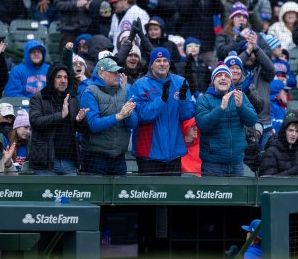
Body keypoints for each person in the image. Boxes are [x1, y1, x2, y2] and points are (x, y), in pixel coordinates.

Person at [131, 47, 195, 175]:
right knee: (149, 194)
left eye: (165, 60)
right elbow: (142, 116)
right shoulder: (140, 85)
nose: (162, 64)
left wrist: (183, 100)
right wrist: (161, 100)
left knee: (172, 193)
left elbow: (187, 115)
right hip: (148, 153)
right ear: (151, 65)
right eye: (158, 60)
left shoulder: (180, 82)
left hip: (174, 152)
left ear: (169, 63)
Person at [195, 63, 258, 176]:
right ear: (213, 81)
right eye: (219, 75)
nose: (223, 78)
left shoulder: (240, 96)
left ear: (230, 81)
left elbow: (252, 120)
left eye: (226, 76)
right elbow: (202, 124)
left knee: (237, 194)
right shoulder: (204, 99)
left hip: (237, 164)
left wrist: (241, 107)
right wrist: (221, 108)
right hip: (213, 165)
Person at [80, 57, 137, 175]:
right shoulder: (90, 92)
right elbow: (93, 125)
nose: (117, 75)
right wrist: (119, 116)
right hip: (96, 156)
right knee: (95, 193)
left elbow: (133, 124)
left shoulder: (125, 89)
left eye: (117, 72)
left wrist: (128, 114)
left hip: (118, 156)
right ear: (100, 73)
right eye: (112, 72)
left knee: (120, 193)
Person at [28, 65, 89, 173]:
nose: (63, 81)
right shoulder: (38, 97)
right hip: (46, 163)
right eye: (59, 77)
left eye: (65, 77)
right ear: (51, 78)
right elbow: (35, 122)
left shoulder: (72, 98)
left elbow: (83, 130)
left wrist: (80, 121)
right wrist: (60, 115)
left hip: (69, 162)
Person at [259, 112, 298, 176]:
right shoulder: (271, 151)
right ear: (284, 130)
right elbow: (269, 181)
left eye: (297, 131)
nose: (294, 134)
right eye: (290, 130)